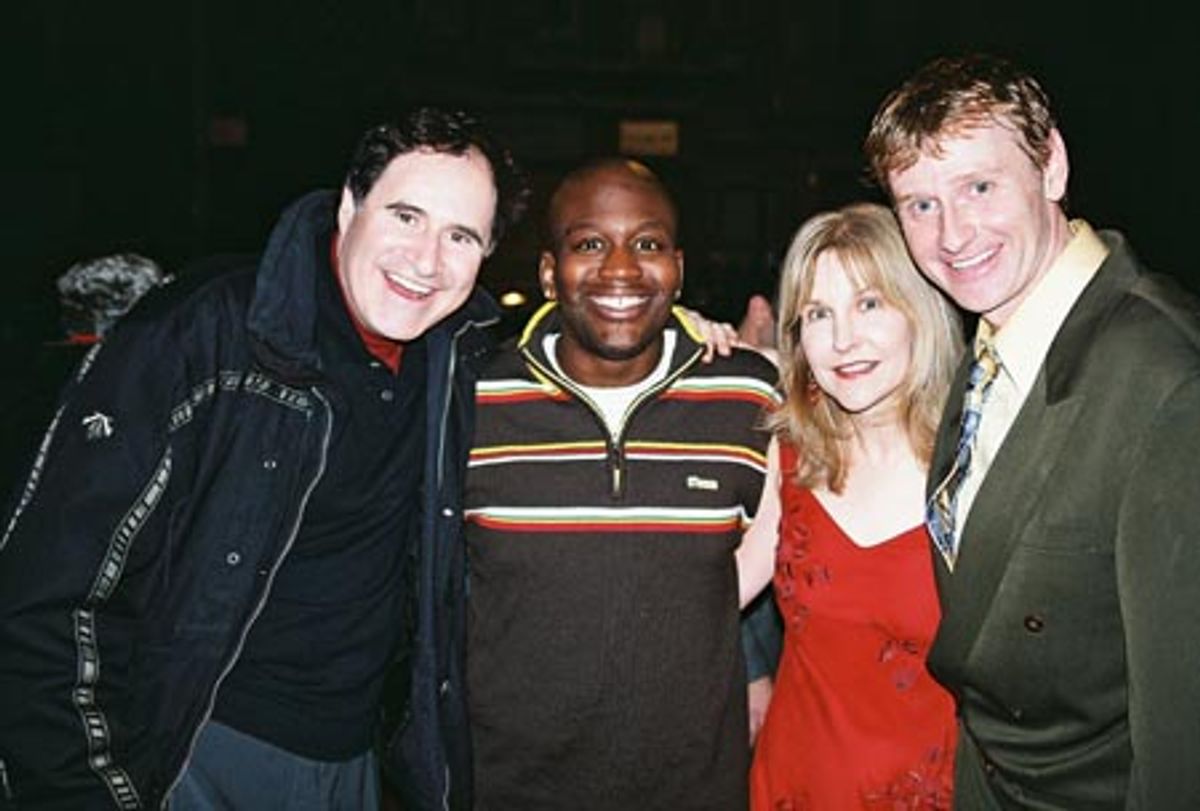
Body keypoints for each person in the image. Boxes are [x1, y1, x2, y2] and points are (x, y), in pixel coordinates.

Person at [0, 107, 528, 811]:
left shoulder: (459, 362)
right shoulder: (202, 332)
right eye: (406, 216)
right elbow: (44, 595)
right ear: (350, 204)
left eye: (460, 235)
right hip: (185, 749)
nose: (427, 259)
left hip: (355, 764)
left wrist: (700, 336)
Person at [864, 53, 1200, 809]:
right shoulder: (988, 345)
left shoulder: (1165, 381)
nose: (952, 234)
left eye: (979, 187)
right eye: (919, 205)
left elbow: (1183, 734)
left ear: (1051, 167)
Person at [463, 158, 780, 810]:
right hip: (507, 789)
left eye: (647, 243)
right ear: (550, 272)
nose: (621, 268)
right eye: (589, 244)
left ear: (679, 268)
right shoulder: (470, 402)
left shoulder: (748, 395)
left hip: (696, 790)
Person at [737, 202, 963, 809]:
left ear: (919, 309)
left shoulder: (979, 467)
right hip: (791, 786)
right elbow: (706, 598)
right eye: (818, 313)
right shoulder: (788, 459)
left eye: (869, 303)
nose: (842, 340)